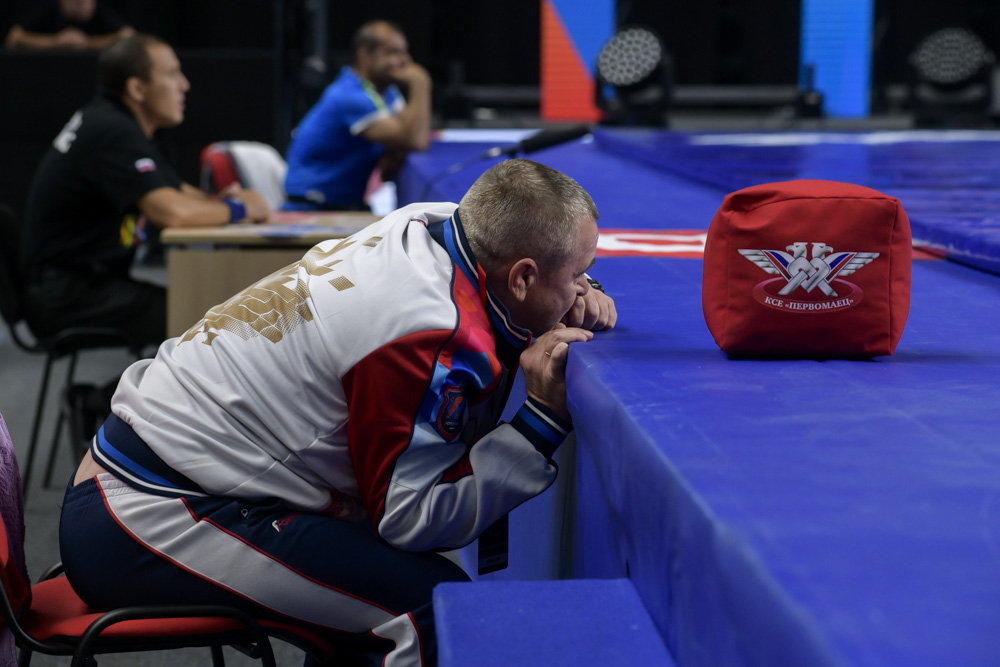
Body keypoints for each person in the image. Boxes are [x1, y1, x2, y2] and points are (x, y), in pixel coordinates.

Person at [60, 158, 617, 666]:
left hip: (162, 470)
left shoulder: (437, 225)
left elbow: (511, 260)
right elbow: (409, 518)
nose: (582, 290)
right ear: (521, 276)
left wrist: (567, 285)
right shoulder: (423, 328)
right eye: (577, 275)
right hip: (142, 512)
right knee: (427, 609)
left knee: (380, 589)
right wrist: (538, 423)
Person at [20, 32, 269, 349]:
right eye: (172, 74)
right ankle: (100, 400)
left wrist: (218, 201)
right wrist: (241, 209)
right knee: (202, 322)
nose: (184, 85)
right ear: (137, 88)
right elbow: (172, 212)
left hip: (77, 285)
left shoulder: (113, 121)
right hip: (67, 296)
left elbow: (173, 189)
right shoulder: (113, 133)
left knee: (202, 314)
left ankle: (102, 398)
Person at [283, 20, 432, 211]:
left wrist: (395, 148)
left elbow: (411, 132)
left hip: (344, 202)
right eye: (393, 52)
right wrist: (421, 82)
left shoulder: (386, 91)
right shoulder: (350, 95)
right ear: (365, 56)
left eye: (404, 52)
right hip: (311, 205)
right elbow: (414, 140)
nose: (405, 61)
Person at [4, 0, 134, 51]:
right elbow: (13, 38)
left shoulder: (99, 10)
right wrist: (54, 42)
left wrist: (87, 42)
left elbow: (129, 35)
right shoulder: (50, 8)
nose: (80, 6)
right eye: (74, 2)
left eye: (85, 2)